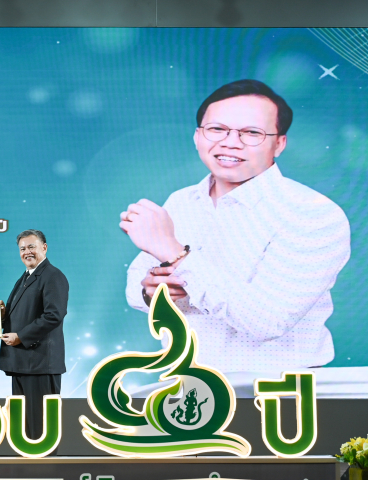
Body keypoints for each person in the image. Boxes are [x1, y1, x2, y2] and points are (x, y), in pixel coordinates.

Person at [121, 79, 351, 373]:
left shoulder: (312, 213)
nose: (230, 142)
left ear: (279, 144)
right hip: (187, 380)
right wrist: (151, 291)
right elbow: (136, 287)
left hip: (274, 386)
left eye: (251, 133)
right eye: (217, 129)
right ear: (197, 136)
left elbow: (267, 320)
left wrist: (175, 254)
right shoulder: (182, 201)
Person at [0, 230, 69, 439]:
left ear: (44, 248)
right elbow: (25, 314)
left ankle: (45, 461)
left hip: (40, 364)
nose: (27, 252)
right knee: (25, 427)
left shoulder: (53, 276)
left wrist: (21, 336)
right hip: (22, 363)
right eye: (22, 248)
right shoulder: (26, 277)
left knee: (41, 427)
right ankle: (28, 460)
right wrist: (2, 314)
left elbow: (54, 315)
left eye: (31, 247)